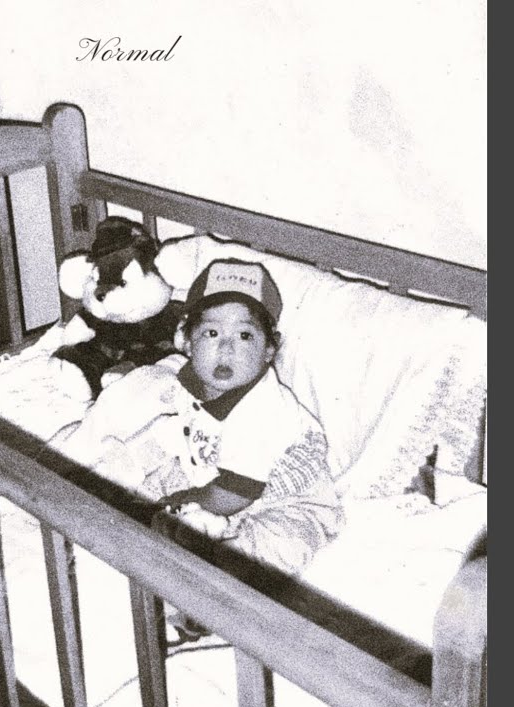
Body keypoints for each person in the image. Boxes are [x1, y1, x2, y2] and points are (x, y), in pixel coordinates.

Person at [52, 259, 338, 640]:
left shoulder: (264, 409)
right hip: (212, 476)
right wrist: (137, 483)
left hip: (286, 502)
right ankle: (119, 546)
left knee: (269, 548)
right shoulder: (185, 383)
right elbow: (172, 433)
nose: (227, 348)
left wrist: (179, 506)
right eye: (212, 333)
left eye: (245, 336)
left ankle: (209, 600)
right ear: (185, 340)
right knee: (142, 496)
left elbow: (234, 493)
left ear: (270, 350)